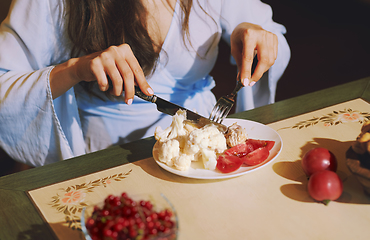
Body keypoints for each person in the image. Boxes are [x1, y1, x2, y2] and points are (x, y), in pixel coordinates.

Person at [0, 0, 290, 167]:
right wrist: (76, 69)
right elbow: (4, 88)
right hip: (109, 162)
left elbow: (269, 32)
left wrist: (252, 32)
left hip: (204, 158)